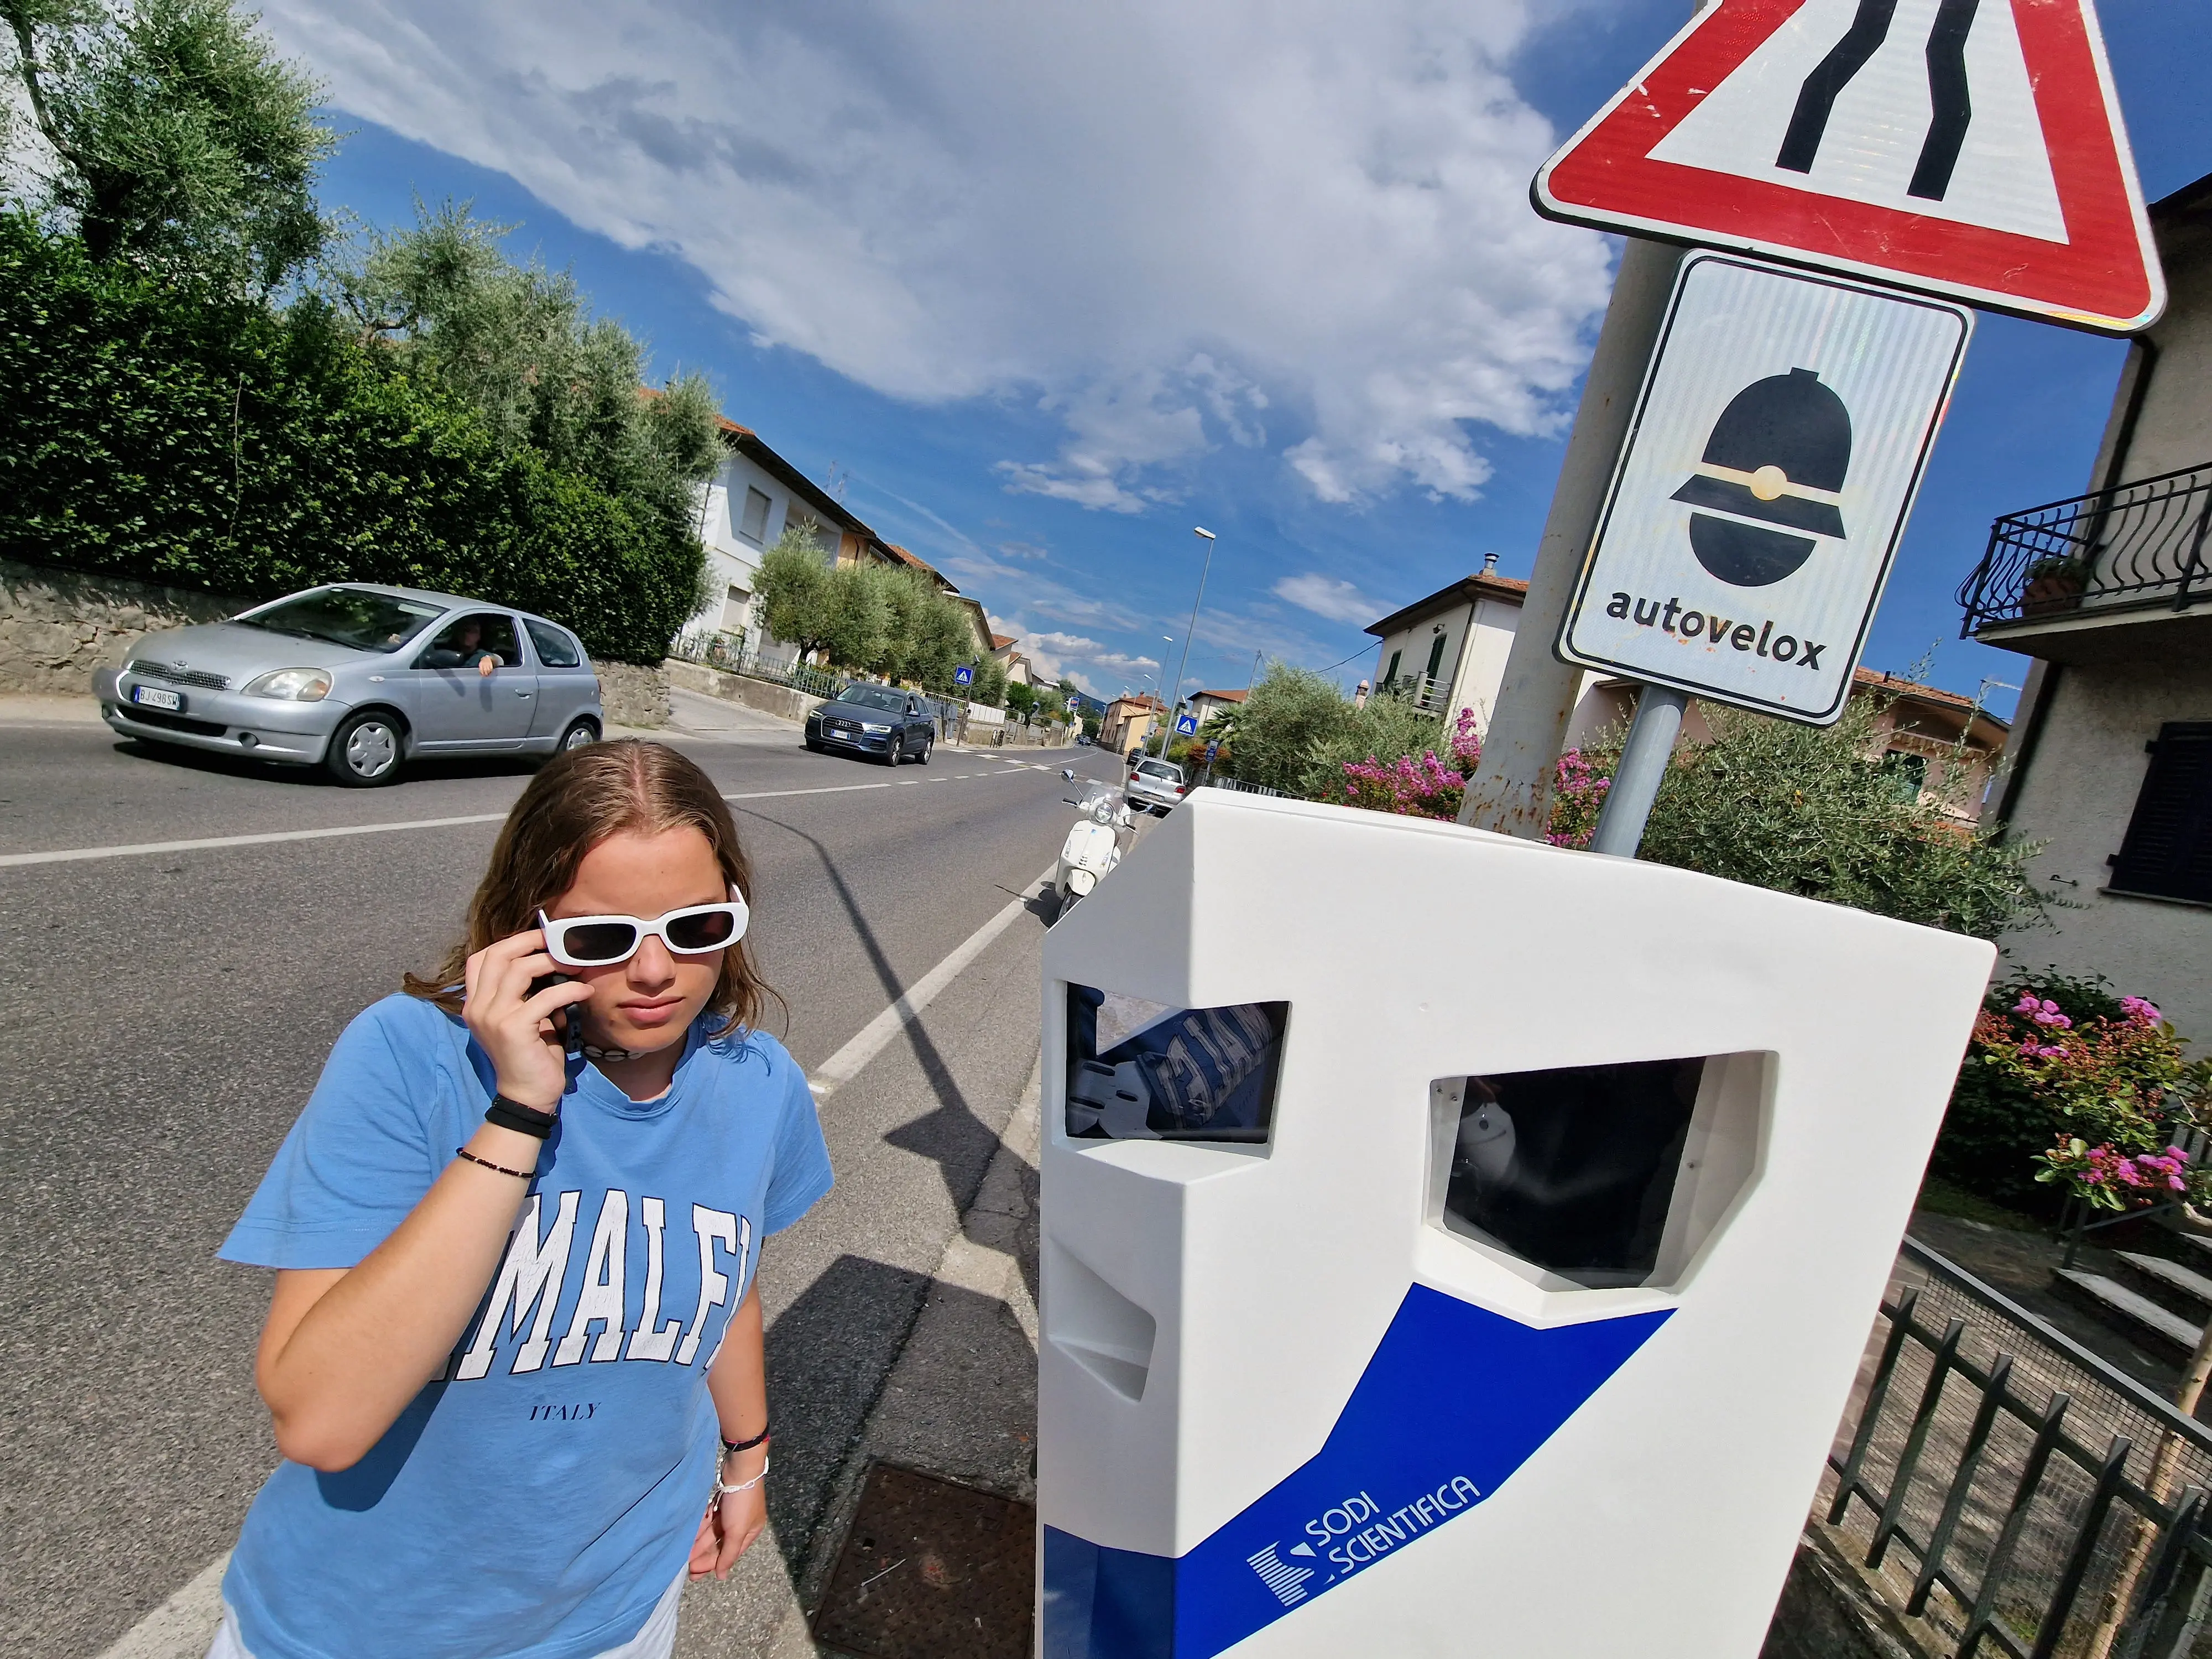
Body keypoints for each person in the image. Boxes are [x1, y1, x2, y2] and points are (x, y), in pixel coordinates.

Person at [207, 740, 831, 1659]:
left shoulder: (758, 1081)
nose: (656, 973)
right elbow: (322, 1421)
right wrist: (518, 1110)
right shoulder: (409, 1058)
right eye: (601, 939)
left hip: (619, 1614)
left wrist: (748, 1464)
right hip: (367, 1626)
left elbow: (725, 1288)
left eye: (696, 927)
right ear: (525, 928)